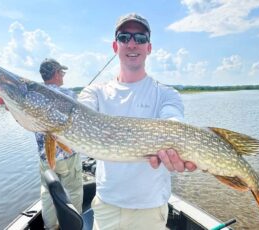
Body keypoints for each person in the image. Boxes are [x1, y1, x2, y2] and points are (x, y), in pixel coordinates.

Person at [77, 13, 197, 230]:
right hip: (106, 206)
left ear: (148, 48)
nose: (132, 43)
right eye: (124, 37)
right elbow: (77, 115)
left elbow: (173, 120)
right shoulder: (94, 92)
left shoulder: (166, 94)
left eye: (140, 38)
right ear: (115, 46)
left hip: (150, 210)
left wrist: (177, 145)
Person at [37, 58, 83, 230]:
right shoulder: (69, 95)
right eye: (62, 72)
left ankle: (50, 227)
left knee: (48, 192)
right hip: (68, 155)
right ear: (56, 73)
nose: (63, 76)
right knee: (74, 190)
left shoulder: (36, 96)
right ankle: (75, 226)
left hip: (45, 158)